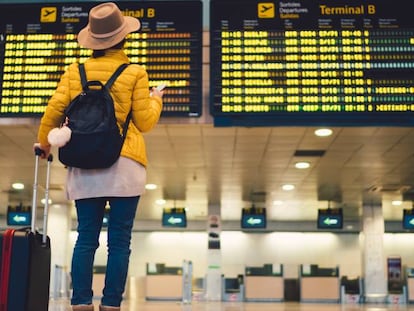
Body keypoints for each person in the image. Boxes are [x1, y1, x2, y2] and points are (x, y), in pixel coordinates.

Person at [34, 2, 163, 311]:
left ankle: (80, 303)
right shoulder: (135, 72)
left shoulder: (74, 71)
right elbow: (144, 122)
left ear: (92, 40)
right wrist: (155, 100)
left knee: (86, 238)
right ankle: (111, 305)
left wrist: (45, 144)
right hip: (124, 164)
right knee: (119, 241)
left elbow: (53, 111)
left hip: (84, 163)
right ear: (123, 38)